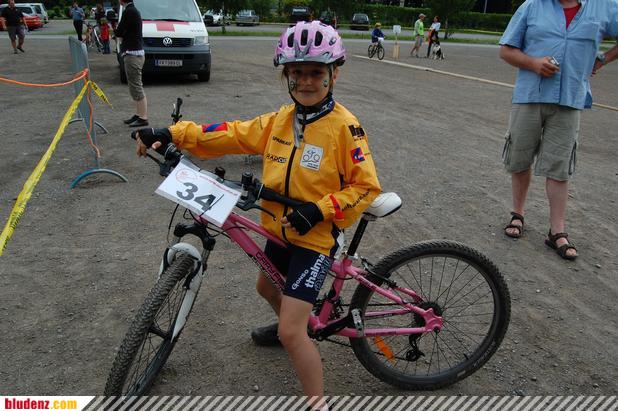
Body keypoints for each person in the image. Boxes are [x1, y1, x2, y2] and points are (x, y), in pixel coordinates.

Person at [133, 21, 381, 410]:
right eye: (297, 72)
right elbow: (231, 133)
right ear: (286, 75)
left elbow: (365, 187)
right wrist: (173, 132)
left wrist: (319, 210)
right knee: (266, 288)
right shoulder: (280, 120)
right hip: (280, 230)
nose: (306, 81)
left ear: (334, 74)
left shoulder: (345, 128)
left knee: (292, 332)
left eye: (316, 72)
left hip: (315, 239)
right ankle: (293, 328)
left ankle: (315, 395)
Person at [499, 0, 618, 260]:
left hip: (571, 99)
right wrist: (533, 63)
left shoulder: (604, 7)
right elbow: (506, 50)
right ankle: (517, 214)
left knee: (559, 166)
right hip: (529, 95)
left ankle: (557, 232)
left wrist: (603, 59)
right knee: (520, 158)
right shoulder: (532, 6)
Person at [115, 0, 148, 127]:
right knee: (134, 86)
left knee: (136, 86)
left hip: (132, 54)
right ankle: (139, 114)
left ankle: (143, 117)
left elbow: (119, 31)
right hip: (135, 52)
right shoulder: (132, 10)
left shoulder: (129, 11)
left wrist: (117, 32)